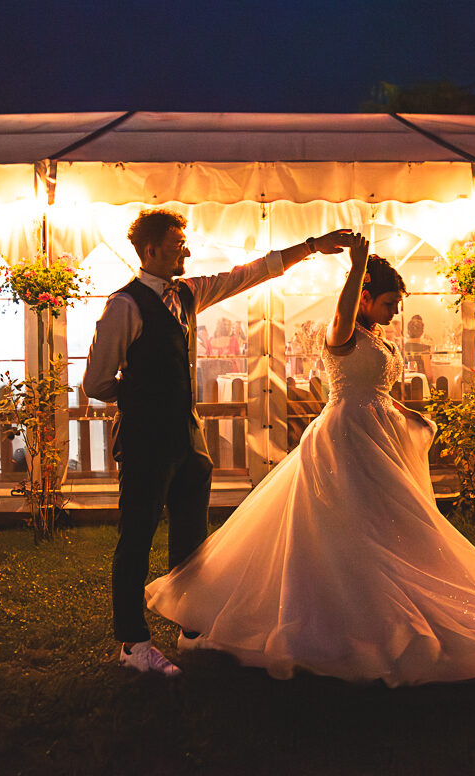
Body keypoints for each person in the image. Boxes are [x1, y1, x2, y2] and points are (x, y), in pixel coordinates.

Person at [145, 242, 475, 686]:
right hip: (343, 440)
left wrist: (401, 410)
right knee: (347, 526)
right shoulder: (339, 331)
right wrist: (358, 265)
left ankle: (377, 603)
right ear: (362, 296)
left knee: (385, 523)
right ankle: (339, 616)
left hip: (379, 434)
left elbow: (372, 385)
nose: (394, 312)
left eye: (396, 305)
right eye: (387, 303)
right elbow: (351, 366)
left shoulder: (375, 334)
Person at [82, 208, 354, 675]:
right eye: (176, 245)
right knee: (137, 536)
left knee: (191, 538)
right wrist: (144, 397)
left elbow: (248, 275)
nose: (185, 251)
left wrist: (310, 247)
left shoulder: (186, 294)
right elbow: (97, 382)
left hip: (187, 437)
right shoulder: (124, 306)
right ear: (150, 251)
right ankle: (133, 644)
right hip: (146, 439)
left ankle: (193, 630)